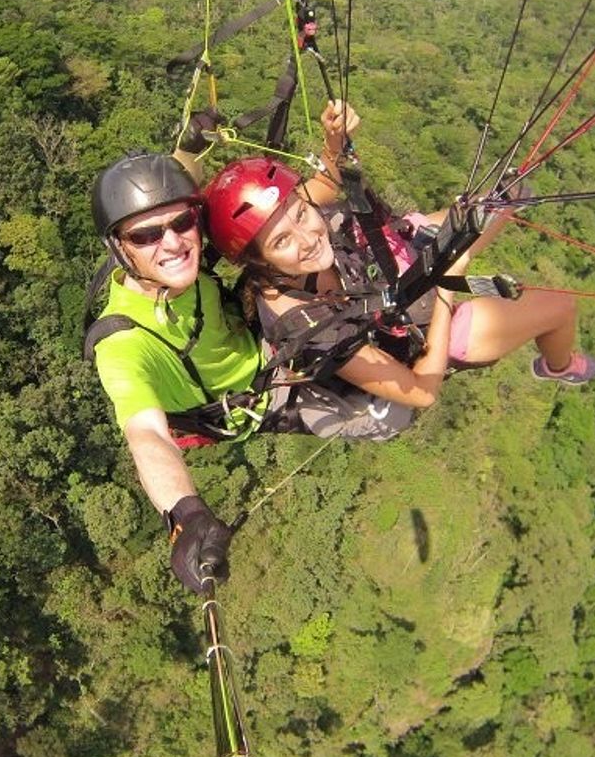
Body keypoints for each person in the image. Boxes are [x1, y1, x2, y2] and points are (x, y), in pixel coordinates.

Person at [87, 121, 410, 593]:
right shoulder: (123, 344)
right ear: (119, 248)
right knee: (393, 413)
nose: (172, 243)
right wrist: (185, 514)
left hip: (257, 335)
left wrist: (191, 146)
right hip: (257, 401)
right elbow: (146, 435)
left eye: (182, 224)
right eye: (146, 236)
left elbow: (192, 179)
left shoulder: (179, 258)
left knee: (317, 229)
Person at [203, 101, 595, 426]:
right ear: (257, 261)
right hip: (423, 332)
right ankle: (558, 366)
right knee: (561, 308)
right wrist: (446, 286)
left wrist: (334, 137)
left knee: (500, 200)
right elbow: (422, 391)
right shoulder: (305, 326)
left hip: (387, 262)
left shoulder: (291, 214)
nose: (307, 238)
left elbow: (324, 183)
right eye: (282, 241)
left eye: (301, 215)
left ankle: (499, 208)